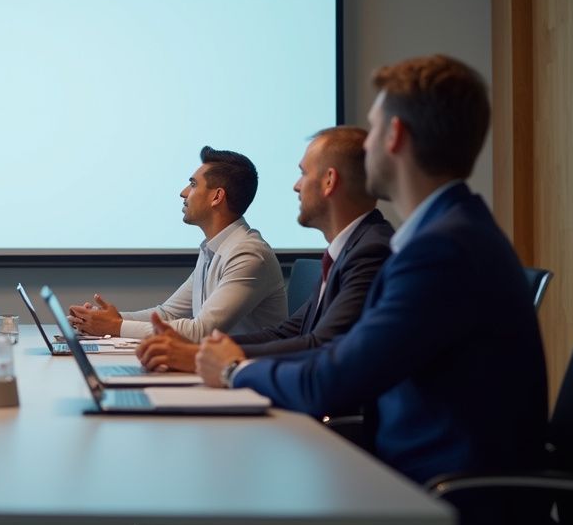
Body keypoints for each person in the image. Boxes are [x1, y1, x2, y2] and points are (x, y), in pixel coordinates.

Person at [196, 55, 549, 525]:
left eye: (375, 127)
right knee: (199, 506)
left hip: (433, 497)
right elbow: (341, 358)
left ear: (396, 136)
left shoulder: (440, 250)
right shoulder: (446, 233)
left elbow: (337, 377)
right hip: (399, 470)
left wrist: (235, 370)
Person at [135, 127, 392, 372]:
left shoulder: (369, 250)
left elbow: (320, 346)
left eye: (303, 173)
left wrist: (223, 364)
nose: (296, 185)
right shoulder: (348, 247)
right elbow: (289, 331)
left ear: (329, 181)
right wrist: (206, 350)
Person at [68, 147, 286, 341]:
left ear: (217, 197)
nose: (183, 192)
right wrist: (102, 320)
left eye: (193, 184)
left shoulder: (248, 254)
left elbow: (201, 331)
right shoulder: (213, 248)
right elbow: (168, 314)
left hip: (247, 376)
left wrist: (116, 326)